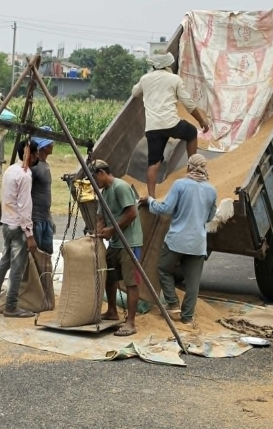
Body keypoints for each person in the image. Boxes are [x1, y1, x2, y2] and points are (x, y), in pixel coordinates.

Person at [139, 154, 217, 325]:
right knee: (193, 284)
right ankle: (187, 318)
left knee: (163, 268)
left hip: (177, 240)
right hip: (198, 243)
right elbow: (211, 216)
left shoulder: (180, 185)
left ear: (189, 167)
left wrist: (150, 201)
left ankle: (173, 303)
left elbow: (166, 208)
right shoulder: (211, 190)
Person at [132, 52, 210, 199]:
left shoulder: (145, 79)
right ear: (168, 65)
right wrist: (201, 121)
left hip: (153, 127)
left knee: (153, 163)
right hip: (171, 124)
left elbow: (135, 92)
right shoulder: (174, 79)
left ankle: (151, 197)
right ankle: (192, 170)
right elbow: (188, 104)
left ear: (154, 65)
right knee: (192, 133)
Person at [0, 140, 39, 318]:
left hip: (6, 224)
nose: (38, 156)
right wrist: (29, 234)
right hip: (18, 226)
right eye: (36, 153)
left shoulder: (10, 170)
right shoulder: (25, 175)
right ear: (29, 154)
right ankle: (11, 306)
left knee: (4, 263)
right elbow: (24, 206)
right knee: (17, 267)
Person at [91, 159, 144, 337]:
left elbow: (132, 213)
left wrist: (112, 229)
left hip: (130, 243)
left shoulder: (120, 187)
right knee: (110, 276)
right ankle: (112, 310)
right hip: (115, 243)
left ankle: (131, 322)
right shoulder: (104, 192)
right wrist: (99, 231)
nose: (95, 182)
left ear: (102, 173)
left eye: (95, 178)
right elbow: (100, 216)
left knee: (131, 282)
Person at [30, 127, 55, 254]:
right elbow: (26, 193)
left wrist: (50, 218)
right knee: (35, 255)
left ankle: (45, 275)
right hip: (35, 220)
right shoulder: (35, 167)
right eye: (51, 143)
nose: (53, 145)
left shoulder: (45, 165)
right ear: (44, 147)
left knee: (47, 254)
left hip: (45, 219)